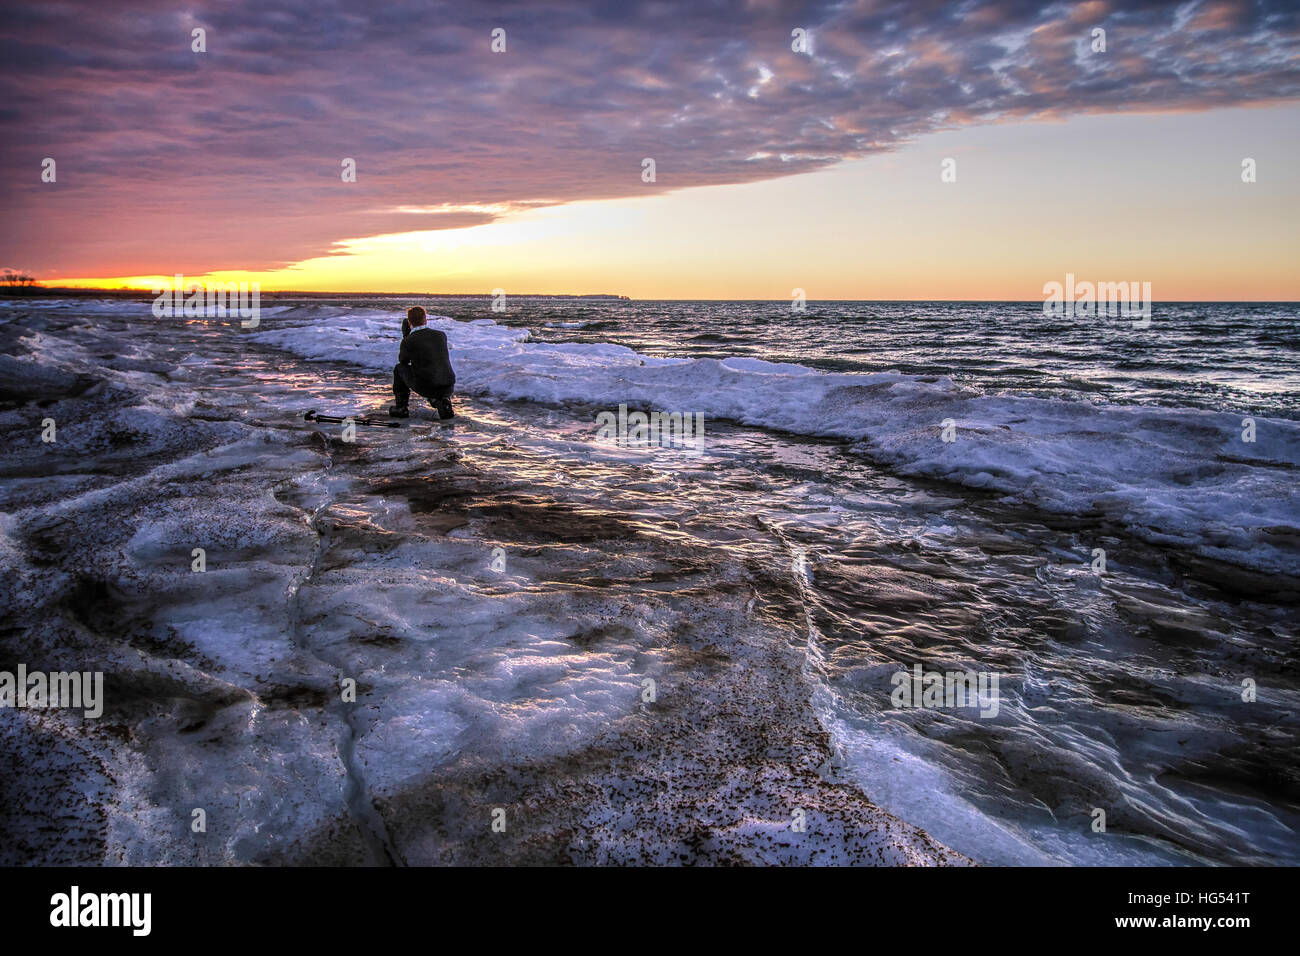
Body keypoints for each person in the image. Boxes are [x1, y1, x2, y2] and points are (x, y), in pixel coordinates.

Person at [390, 306, 455, 419]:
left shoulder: (409, 340)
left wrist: (406, 337)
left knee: (399, 368)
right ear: (425, 319)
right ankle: (441, 400)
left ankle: (401, 408)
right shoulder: (440, 335)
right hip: (448, 385)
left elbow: (403, 361)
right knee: (432, 369)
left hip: (427, 386)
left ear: (409, 321)